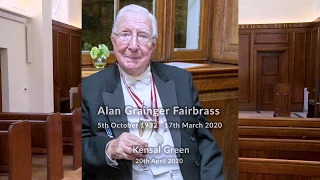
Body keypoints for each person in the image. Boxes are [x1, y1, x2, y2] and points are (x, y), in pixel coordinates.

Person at [82, 4, 224, 180]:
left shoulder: (181, 80)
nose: (133, 46)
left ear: (153, 44)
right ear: (113, 39)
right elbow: (80, 147)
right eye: (125, 34)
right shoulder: (90, 88)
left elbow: (205, 142)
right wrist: (110, 147)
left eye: (142, 36)